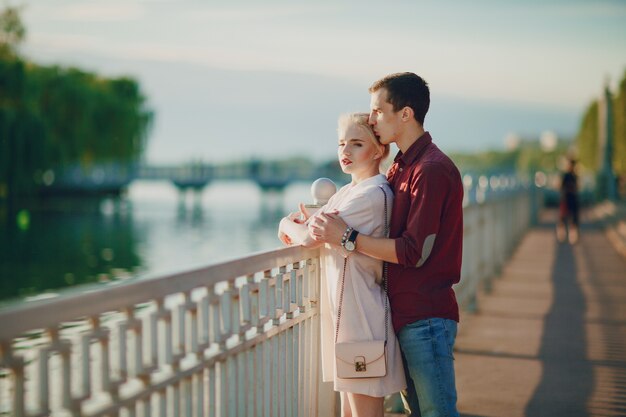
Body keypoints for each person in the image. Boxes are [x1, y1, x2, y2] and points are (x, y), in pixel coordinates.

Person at [308, 72, 463, 417]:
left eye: (378, 111)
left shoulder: (431, 170)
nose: (372, 119)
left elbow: (412, 251)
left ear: (405, 114)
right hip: (402, 315)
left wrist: (346, 238)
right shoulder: (399, 170)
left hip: (426, 317)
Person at [278, 112, 406, 417]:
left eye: (356, 144)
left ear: (378, 150)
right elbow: (315, 227)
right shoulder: (348, 193)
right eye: (341, 144)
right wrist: (307, 225)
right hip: (346, 318)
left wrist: (285, 223)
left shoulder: (372, 195)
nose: (345, 152)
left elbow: (310, 237)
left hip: (361, 317)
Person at [556, 158, 579, 244]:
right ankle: (563, 236)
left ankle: (572, 237)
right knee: (563, 219)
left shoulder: (574, 176)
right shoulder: (566, 176)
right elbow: (562, 187)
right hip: (566, 199)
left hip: (571, 199)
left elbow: (576, 188)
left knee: (572, 219)